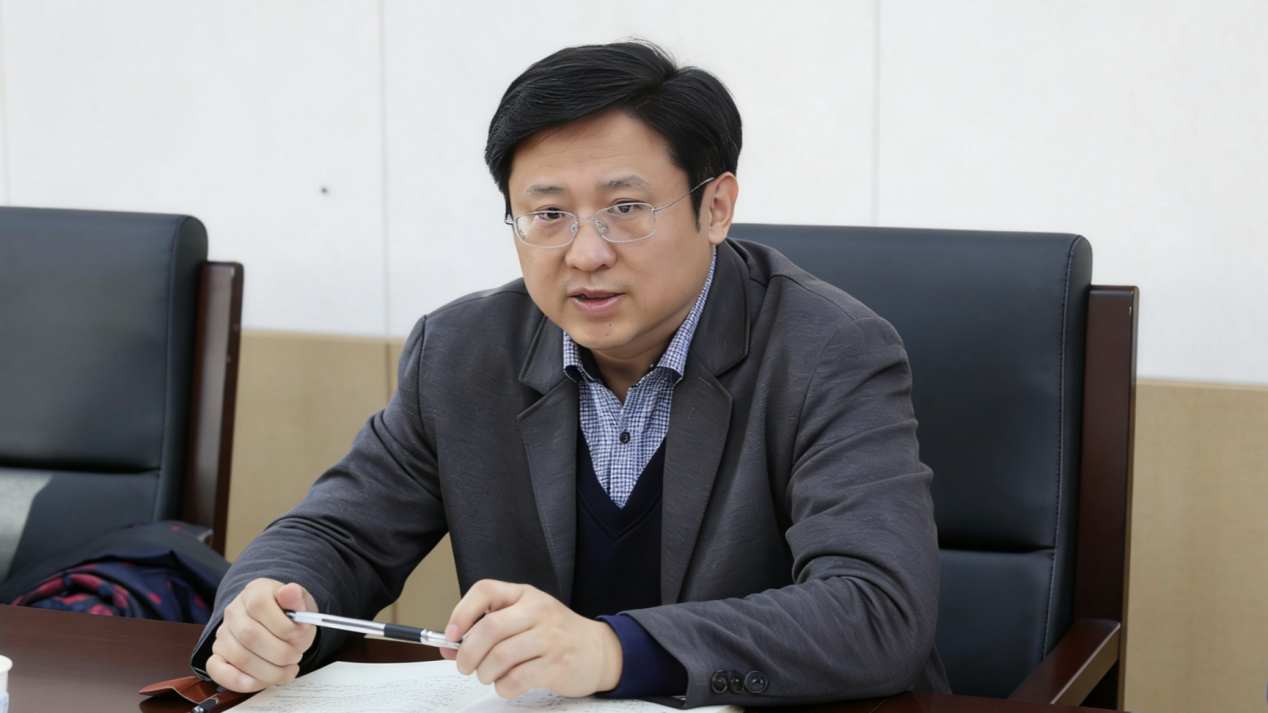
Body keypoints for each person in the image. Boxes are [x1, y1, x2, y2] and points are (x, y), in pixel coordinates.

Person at [193, 40, 950, 706]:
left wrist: (612, 650)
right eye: (548, 215)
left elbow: (877, 611)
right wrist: (261, 611)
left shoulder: (829, 351)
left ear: (716, 207)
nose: (586, 254)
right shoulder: (461, 352)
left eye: (627, 208)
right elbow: (336, 533)